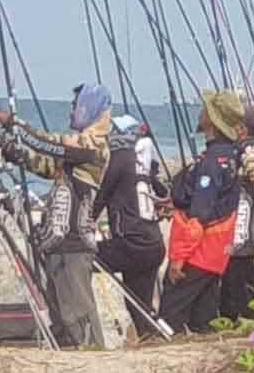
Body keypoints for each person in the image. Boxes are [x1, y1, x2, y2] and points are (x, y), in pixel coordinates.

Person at [0, 84, 111, 347]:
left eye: (76, 105)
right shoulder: (77, 150)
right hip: (57, 245)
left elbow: (50, 145)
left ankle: (94, 359)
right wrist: (7, 149)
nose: (71, 110)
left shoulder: (94, 147)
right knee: (62, 318)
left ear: (90, 108)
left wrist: (5, 118)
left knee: (79, 316)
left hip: (75, 247)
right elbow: (45, 164)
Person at [159, 90, 244, 335]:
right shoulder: (230, 157)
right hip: (216, 255)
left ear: (213, 120)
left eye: (206, 109)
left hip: (198, 253)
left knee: (168, 319)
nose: (201, 111)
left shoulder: (212, 161)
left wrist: (179, 258)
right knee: (203, 321)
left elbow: (200, 214)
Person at [92, 115, 167, 339]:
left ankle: (85, 332)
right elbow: (162, 193)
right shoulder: (142, 163)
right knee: (138, 304)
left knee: (81, 258)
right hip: (153, 243)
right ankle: (151, 339)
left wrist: (85, 222)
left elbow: (101, 197)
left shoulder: (119, 157)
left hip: (131, 244)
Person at [219, 105, 254, 323]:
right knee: (230, 302)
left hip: (245, 245)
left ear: (241, 128)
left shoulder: (250, 155)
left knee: (243, 304)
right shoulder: (238, 153)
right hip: (235, 244)